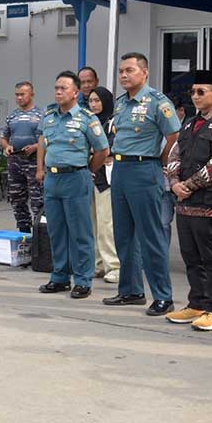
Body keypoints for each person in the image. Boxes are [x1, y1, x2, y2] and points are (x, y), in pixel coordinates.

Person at [102, 52, 180, 316]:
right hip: (121, 170)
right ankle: (131, 290)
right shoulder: (122, 103)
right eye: (121, 71)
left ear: (144, 73)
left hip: (145, 170)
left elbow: (174, 135)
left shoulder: (158, 102)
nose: (124, 75)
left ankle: (163, 296)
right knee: (124, 235)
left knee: (151, 237)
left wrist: (160, 160)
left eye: (130, 70)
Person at [164, 71, 212, 332]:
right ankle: (196, 304)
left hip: (210, 202)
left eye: (201, 92)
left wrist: (188, 186)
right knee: (190, 256)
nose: (195, 97)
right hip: (184, 202)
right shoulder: (187, 124)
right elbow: (174, 154)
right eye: (193, 92)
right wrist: (174, 183)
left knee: (211, 258)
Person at [36, 71, 110, 299]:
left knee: (80, 232)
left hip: (76, 178)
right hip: (53, 179)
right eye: (56, 88)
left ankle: (82, 280)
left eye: (64, 88)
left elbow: (102, 150)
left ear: (76, 93)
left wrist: (87, 170)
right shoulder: (48, 116)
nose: (58, 92)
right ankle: (59, 277)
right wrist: (41, 168)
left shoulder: (87, 118)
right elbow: (43, 143)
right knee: (56, 231)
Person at [86, 87, 119, 283]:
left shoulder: (113, 122)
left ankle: (114, 266)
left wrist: (97, 154)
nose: (94, 104)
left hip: (106, 180)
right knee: (92, 224)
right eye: (91, 101)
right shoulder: (89, 122)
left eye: (97, 100)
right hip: (89, 176)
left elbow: (110, 147)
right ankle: (97, 264)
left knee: (107, 224)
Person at [1, 81, 44, 233]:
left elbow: (47, 139)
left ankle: (40, 233)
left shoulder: (41, 115)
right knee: (16, 198)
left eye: (22, 94)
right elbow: (4, 137)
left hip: (33, 162)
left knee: (37, 199)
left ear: (31, 94)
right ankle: (24, 231)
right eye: (17, 95)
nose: (19, 98)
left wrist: (35, 147)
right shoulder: (12, 115)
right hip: (15, 161)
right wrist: (7, 147)